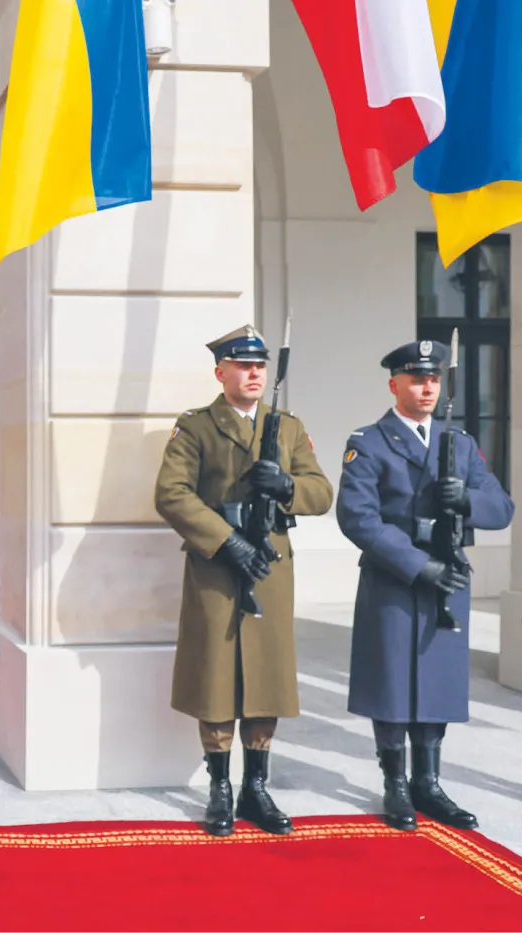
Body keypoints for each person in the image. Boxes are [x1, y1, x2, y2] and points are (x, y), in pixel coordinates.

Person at [154, 325, 333, 837]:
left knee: (265, 678)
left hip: (270, 568)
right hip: (217, 567)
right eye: (242, 365)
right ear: (221, 372)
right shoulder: (195, 428)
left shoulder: (288, 428)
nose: (254, 373)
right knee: (216, 677)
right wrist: (225, 539)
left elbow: (322, 494)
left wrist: (288, 486)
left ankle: (256, 785)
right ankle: (220, 788)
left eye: (260, 366)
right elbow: (171, 494)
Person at [336, 339, 514, 833]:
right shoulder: (369, 442)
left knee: (435, 682)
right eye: (417, 379)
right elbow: (358, 518)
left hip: (447, 577)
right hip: (396, 578)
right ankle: (395, 785)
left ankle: (428, 783)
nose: (428, 386)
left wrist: (467, 500)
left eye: (434, 379)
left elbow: (502, 507)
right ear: (395, 385)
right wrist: (417, 565)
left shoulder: (458, 442)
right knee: (391, 682)